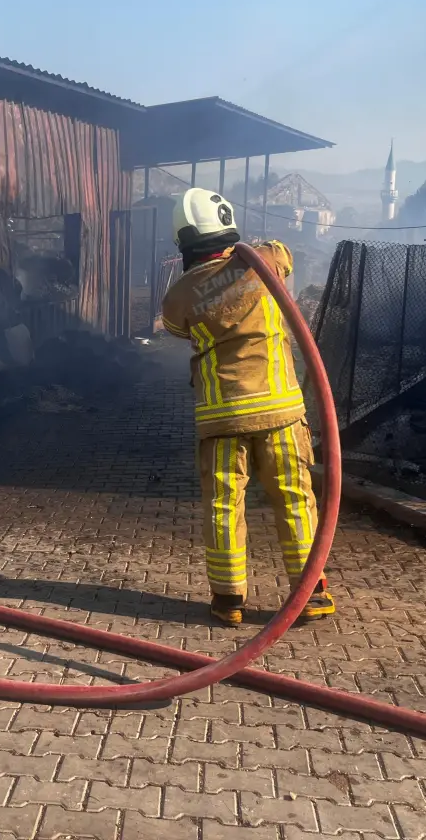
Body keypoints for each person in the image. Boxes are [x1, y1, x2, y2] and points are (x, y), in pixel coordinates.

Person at [160, 187, 335, 627]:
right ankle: (310, 592)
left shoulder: (179, 294)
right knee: (295, 499)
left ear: (183, 240)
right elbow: (284, 252)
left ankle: (228, 599)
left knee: (223, 505)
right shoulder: (266, 261)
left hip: (222, 418)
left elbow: (176, 328)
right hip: (280, 411)